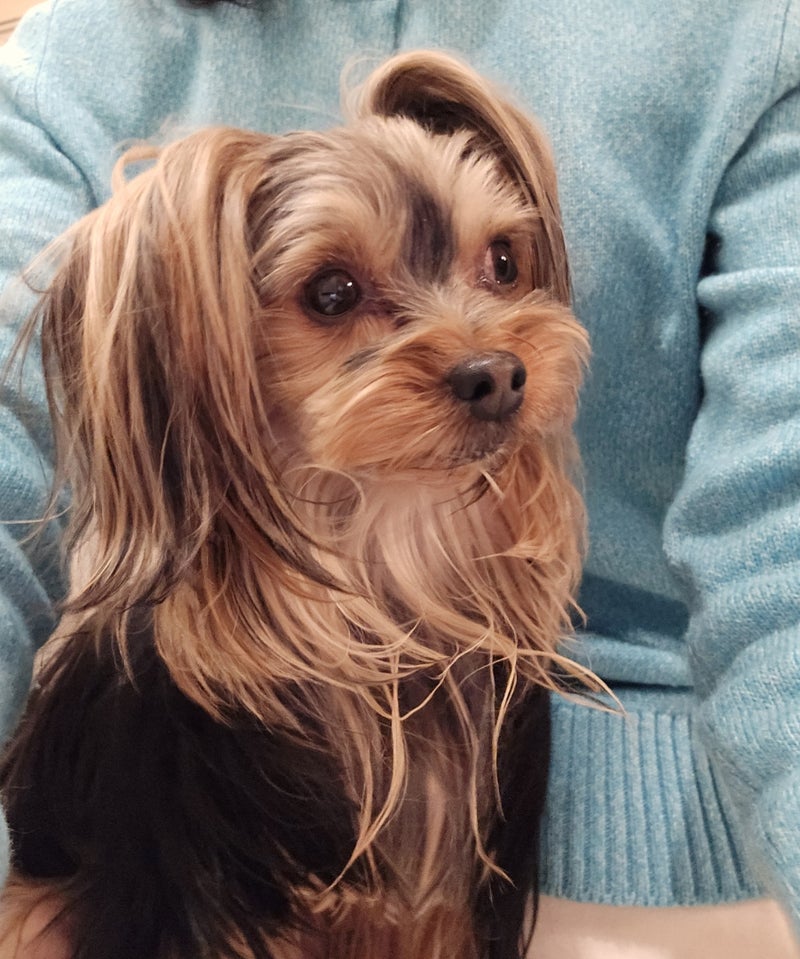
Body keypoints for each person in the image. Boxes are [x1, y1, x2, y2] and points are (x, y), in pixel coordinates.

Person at [0, 1, 798, 956]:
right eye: (335, 295)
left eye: (500, 265)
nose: (483, 353)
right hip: (178, 805)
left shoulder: (757, 32)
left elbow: (782, 542)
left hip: (685, 838)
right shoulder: (87, 50)